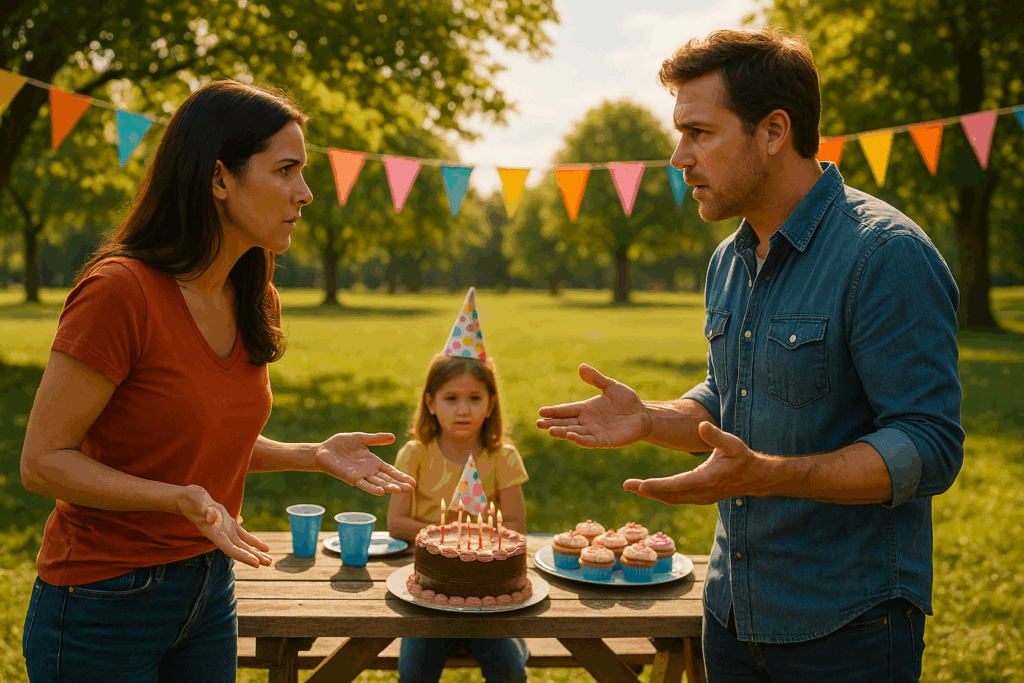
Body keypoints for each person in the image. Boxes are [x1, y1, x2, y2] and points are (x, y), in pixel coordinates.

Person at [537, 28, 963, 683]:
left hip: (845, 629)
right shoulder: (728, 259)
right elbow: (728, 394)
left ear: (772, 131)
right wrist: (651, 417)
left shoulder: (884, 254)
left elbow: (929, 443)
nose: (679, 157)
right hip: (730, 617)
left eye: (699, 132)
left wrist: (768, 472)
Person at [19, 80, 415, 683]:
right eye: (285, 170)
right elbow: (43, 462)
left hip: (208, 587)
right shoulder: (119, 293)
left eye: (303, 172)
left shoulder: (254, 296)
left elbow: (191, 440)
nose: (305, 194)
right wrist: (176, 498)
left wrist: (311, 455)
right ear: (218, 178)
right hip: (103, 597)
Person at [388, 288, 530, 683]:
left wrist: (479, 545)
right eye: (451, 398)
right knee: (414, 674)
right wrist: (448, 540)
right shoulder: (414, 454)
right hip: (427, 591)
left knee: (510, 672)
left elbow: (517, 524)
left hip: (490, 594)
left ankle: (512, 641)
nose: (463, 409)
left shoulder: (503, 458)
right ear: (431, 402)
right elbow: (397, 522)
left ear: (490, 404)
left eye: (474, 398)